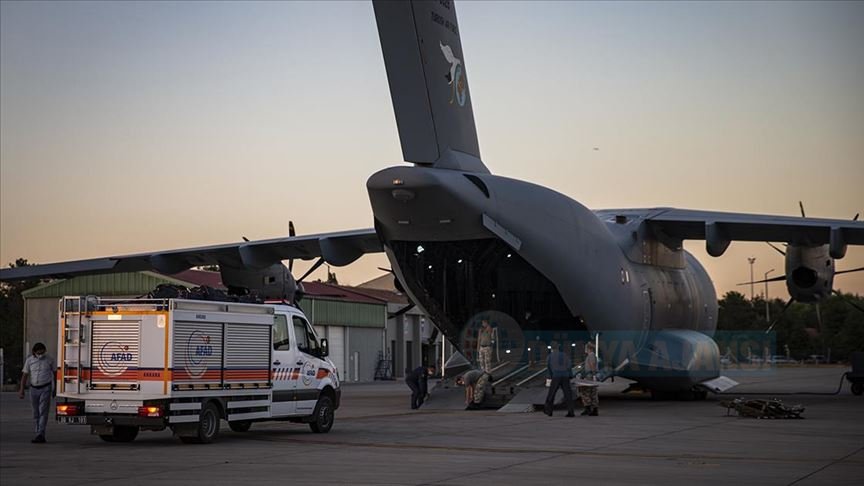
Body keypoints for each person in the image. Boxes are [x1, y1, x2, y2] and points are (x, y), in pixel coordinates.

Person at [19, 342, 56, 443]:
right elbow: (24, 376)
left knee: (43, 412)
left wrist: (55, 388)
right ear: (34, 352)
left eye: (42, 353)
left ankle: (40, 434)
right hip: (33, 389)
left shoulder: (49, 359)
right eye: (38, 353)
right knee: (36, 412)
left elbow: (55, 373)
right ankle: (38, 431)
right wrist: (22, 389)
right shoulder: (29, 360)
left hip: (45, 388)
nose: (41, 355)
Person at [543, 341, 575, 417]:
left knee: (552, 394)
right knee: (568, 394)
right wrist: (570, 375)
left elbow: (549, 368)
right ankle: (571, 412)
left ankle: (549, 411)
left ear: (551, 348)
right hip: (565, 376)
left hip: (556, 376)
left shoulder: (550, 356)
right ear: (558, 347)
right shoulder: (565, 355)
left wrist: (550, 377)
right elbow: (569, 366)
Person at [578, 342, 599, 416]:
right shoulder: (591, 355)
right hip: (590, 376)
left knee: (586, 392)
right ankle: (593, 409)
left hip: (589, 376)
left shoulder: (591, 356)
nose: (585, 349)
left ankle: (589, 409)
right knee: (592, 393)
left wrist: (593, 375)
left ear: (589, 348)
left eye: (586, 348)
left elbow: (592, 365)